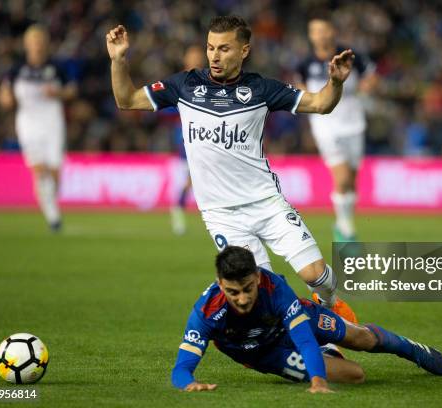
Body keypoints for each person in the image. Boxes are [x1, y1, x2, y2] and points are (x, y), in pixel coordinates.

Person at [107, 16, 357, 322]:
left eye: (224, 48)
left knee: (316, 274)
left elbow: (321, 104)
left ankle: (330, 300)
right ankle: (320, 341)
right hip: (222, 215)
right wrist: (119, 59)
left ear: (244, 51)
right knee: (265, 294)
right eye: (211, 47)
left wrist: (335, 82)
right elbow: (126, 99)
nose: (214, 55)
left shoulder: (262, 89)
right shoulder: (184, 85)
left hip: (267, 203)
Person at [172, 246, 442, 393]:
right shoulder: (206, 313)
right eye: (233, 292)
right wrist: (188, 383)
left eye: (248, 289)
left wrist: (317, 380)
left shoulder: (275, 289)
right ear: (220, 284)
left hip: (295, 320)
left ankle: (412, 349)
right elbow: (181, 368)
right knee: (354, 375)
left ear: (257, 277)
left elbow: (303, 337)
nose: (242, 299)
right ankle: (327, 353)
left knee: (362, 339)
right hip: (266, 354)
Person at [295, 14, 377, 241]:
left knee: (350, 179)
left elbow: (371, 74)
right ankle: (345, 227)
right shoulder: (305, 64)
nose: (320, 35)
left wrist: (367, 86)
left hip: (353, 122)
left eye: (324, 30)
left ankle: (343, 222)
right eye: (315, 31)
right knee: (341, 178)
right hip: (325, 125)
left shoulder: (349, 56)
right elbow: (300, 90)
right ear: (311, 36)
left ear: (332, 31)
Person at [0, 25, 78, 232]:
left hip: (52, 121)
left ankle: (51, 206)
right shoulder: (16, 69)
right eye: (33, 42)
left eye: (40, 41)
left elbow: (72, 90)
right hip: (28, 122)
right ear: (27, 45)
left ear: (46, 44)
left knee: (54, 170)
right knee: (39, 168)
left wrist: (58, 94)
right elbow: (5, 92)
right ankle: (53, 217)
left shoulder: (56, 67)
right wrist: (5, 97)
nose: (37, 46)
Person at [170, 45, 205, 235]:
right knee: (191, 176)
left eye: (199, 56)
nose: (197, 59)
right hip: (185, 133)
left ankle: (179, 208)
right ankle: (178, 209)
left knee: (196, 177)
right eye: (193, 56)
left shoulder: (209, 80)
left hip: (207, 133)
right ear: (186, 59)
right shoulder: (178, 82)